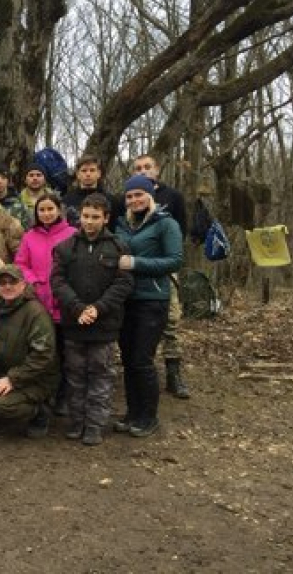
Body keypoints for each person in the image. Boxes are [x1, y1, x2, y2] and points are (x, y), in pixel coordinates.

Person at [50, 194, 134, 446]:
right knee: (75, 375)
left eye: (95, 217)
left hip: (104, 325)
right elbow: (58, 281)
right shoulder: (66, 247)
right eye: (86, 216)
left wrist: (98, 308)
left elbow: (124, 282)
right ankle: (77, 422)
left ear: (106, 218)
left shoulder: (119, 247)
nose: (89, 222)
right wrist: (77, 308)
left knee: (101, 375)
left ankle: (95, 425)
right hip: (74, 324)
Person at [114, 175, 183, 438]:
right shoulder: (122, 225)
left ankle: (149, 417)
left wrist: (135, 264)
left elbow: (174, 261)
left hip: (152, 300)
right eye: (129, 196)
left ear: (150, 195)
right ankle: (133, 413)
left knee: (143, 359)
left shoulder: (166, 224)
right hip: (125, 300)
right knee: (129, 360)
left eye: (139, 195)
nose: (134, 200)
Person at [132, 153, 189, 399]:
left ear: (157, 170)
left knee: (171, 320)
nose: (143, 171)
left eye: (147, 167)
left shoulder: (172, 197)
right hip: (134, 270)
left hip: (165, 268)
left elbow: (181, 232)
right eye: (138, 168)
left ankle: (174, 373)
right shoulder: (131, 197)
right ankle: (139, 373)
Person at [14, 193, 76, 413]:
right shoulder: (29, 236)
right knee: (44, 352)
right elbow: (20, 263)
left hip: (66, 302)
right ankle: (45, 395)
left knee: (67, 351)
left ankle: (65, 396)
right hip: (39, 301)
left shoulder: (72, 234)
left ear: (59, 210)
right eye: (42, 210)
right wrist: (35, 281)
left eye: (51, 209)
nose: (47, 214)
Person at [0, 265, 59, 437]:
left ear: (23, 285)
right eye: (2, 283)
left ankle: (39, 411)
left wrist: (12, 379)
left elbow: (42, 356)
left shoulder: (35, 312)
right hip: (4, 369)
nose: (7, 287)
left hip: (36, 378)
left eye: (13, 282)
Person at [62, 154, 120, 229]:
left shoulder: (111, 200)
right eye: (84, 171)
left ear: (99, 173)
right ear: (78, 174)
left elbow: (115, 228)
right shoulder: (67, 200)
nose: (88, 174)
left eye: (92, 170)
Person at [0, 163, 31, 229]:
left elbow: (29, 231)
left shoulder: (19, 205)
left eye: (3, 178)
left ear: (8, 181)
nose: (0, 181)